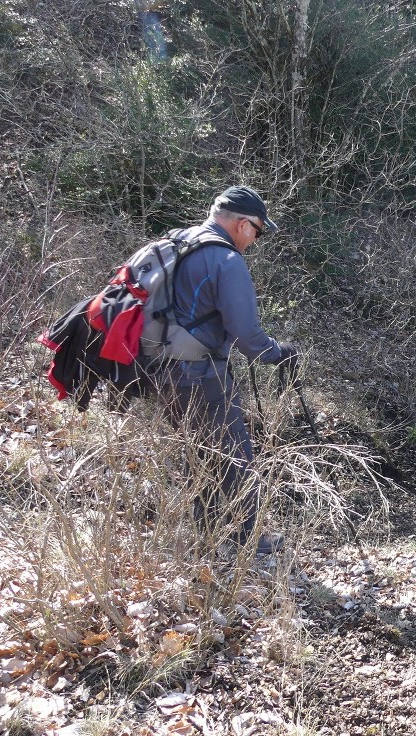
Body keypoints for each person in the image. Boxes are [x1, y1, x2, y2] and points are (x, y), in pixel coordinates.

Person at [154, 186, 297, 557]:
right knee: (234, 454)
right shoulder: (225, 259)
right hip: (200, 374)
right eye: (258, 230)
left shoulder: (179, 241)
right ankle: (246, 539)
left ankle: (211, 536)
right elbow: (248, 335)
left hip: (160, 369)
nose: (256, 239)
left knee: (199, 453)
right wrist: (278, 353)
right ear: (241, 223)